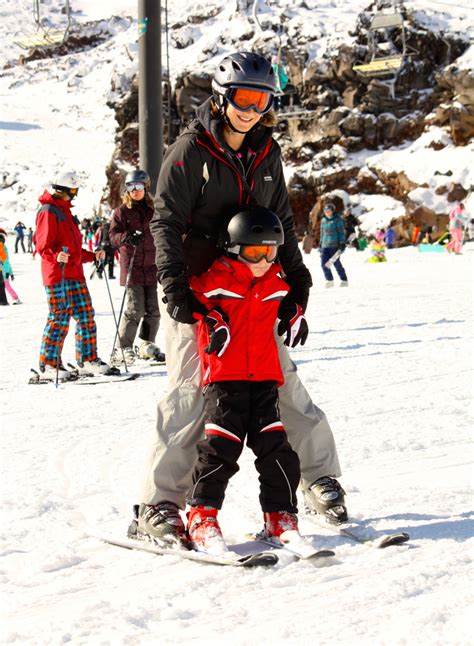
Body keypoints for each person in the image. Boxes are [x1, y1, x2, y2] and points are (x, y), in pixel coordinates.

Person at [131, 51, 345, 547]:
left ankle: (317, 480)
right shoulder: (191, 150)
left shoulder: (266, 151)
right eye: (243, 99)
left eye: (262, 100)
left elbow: (282, 224)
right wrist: (176, 286)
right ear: (223, 98)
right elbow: (165, 221)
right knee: (190, 392)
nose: (251, 109)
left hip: (254, 285)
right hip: (199, 290)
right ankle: (159, 504)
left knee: (284, 383)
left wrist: (298, 282)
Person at [186, 207, 304, 552]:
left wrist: (294, 311)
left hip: (265, 378)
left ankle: (280, 516)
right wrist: (212, 320)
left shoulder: (275, 279)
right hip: (226, 379)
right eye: (256, 251)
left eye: (271, 251)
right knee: (221, 448)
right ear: (235, 248)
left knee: (277, 449)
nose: (265, 259)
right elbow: (189, 297)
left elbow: (286, 298)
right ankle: (202, 517)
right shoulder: (217, 279)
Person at [35, 172, 113, 380]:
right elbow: (43, 246)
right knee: (59, 317)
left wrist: (92, 255)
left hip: (75, 274)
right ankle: (49, 364)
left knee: (86, 315)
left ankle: (88, 360)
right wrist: (55, 255)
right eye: (74, 190)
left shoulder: (66, 212)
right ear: (66, 190)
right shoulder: (48, 211)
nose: (75, 194)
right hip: (57, 273)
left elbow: (74, 248)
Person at [109, 169, 164, 365]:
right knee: (134, 309)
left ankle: (146, 344)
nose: (135, 191)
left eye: (139, 187)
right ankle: (123, 347)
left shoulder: (153, 211)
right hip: (132, 267)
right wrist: (126, 237)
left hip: (152, 266)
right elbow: (112, 236)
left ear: (146, 188)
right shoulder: (121, 212)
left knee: (154, 309)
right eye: (131, 187)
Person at [319, 203, 348, 287]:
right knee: (324, 264)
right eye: (325, 211)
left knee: (336, 263)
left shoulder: (338, 220)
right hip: (325, 246)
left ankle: (344, 280)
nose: (327, 212)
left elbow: (341, 233)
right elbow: (322, 233)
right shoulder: (323, 220)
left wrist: (342, 243)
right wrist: (320, 244)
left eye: (329, 211)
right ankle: (329, 280)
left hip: (334, 246)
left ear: (332, 211)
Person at [0, 230, 21, 304]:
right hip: (4, 270)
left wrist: (10, 272)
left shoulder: (3, 249)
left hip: (4, 271)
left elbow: (6, 262)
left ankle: (16, 298)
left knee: (6, 286)